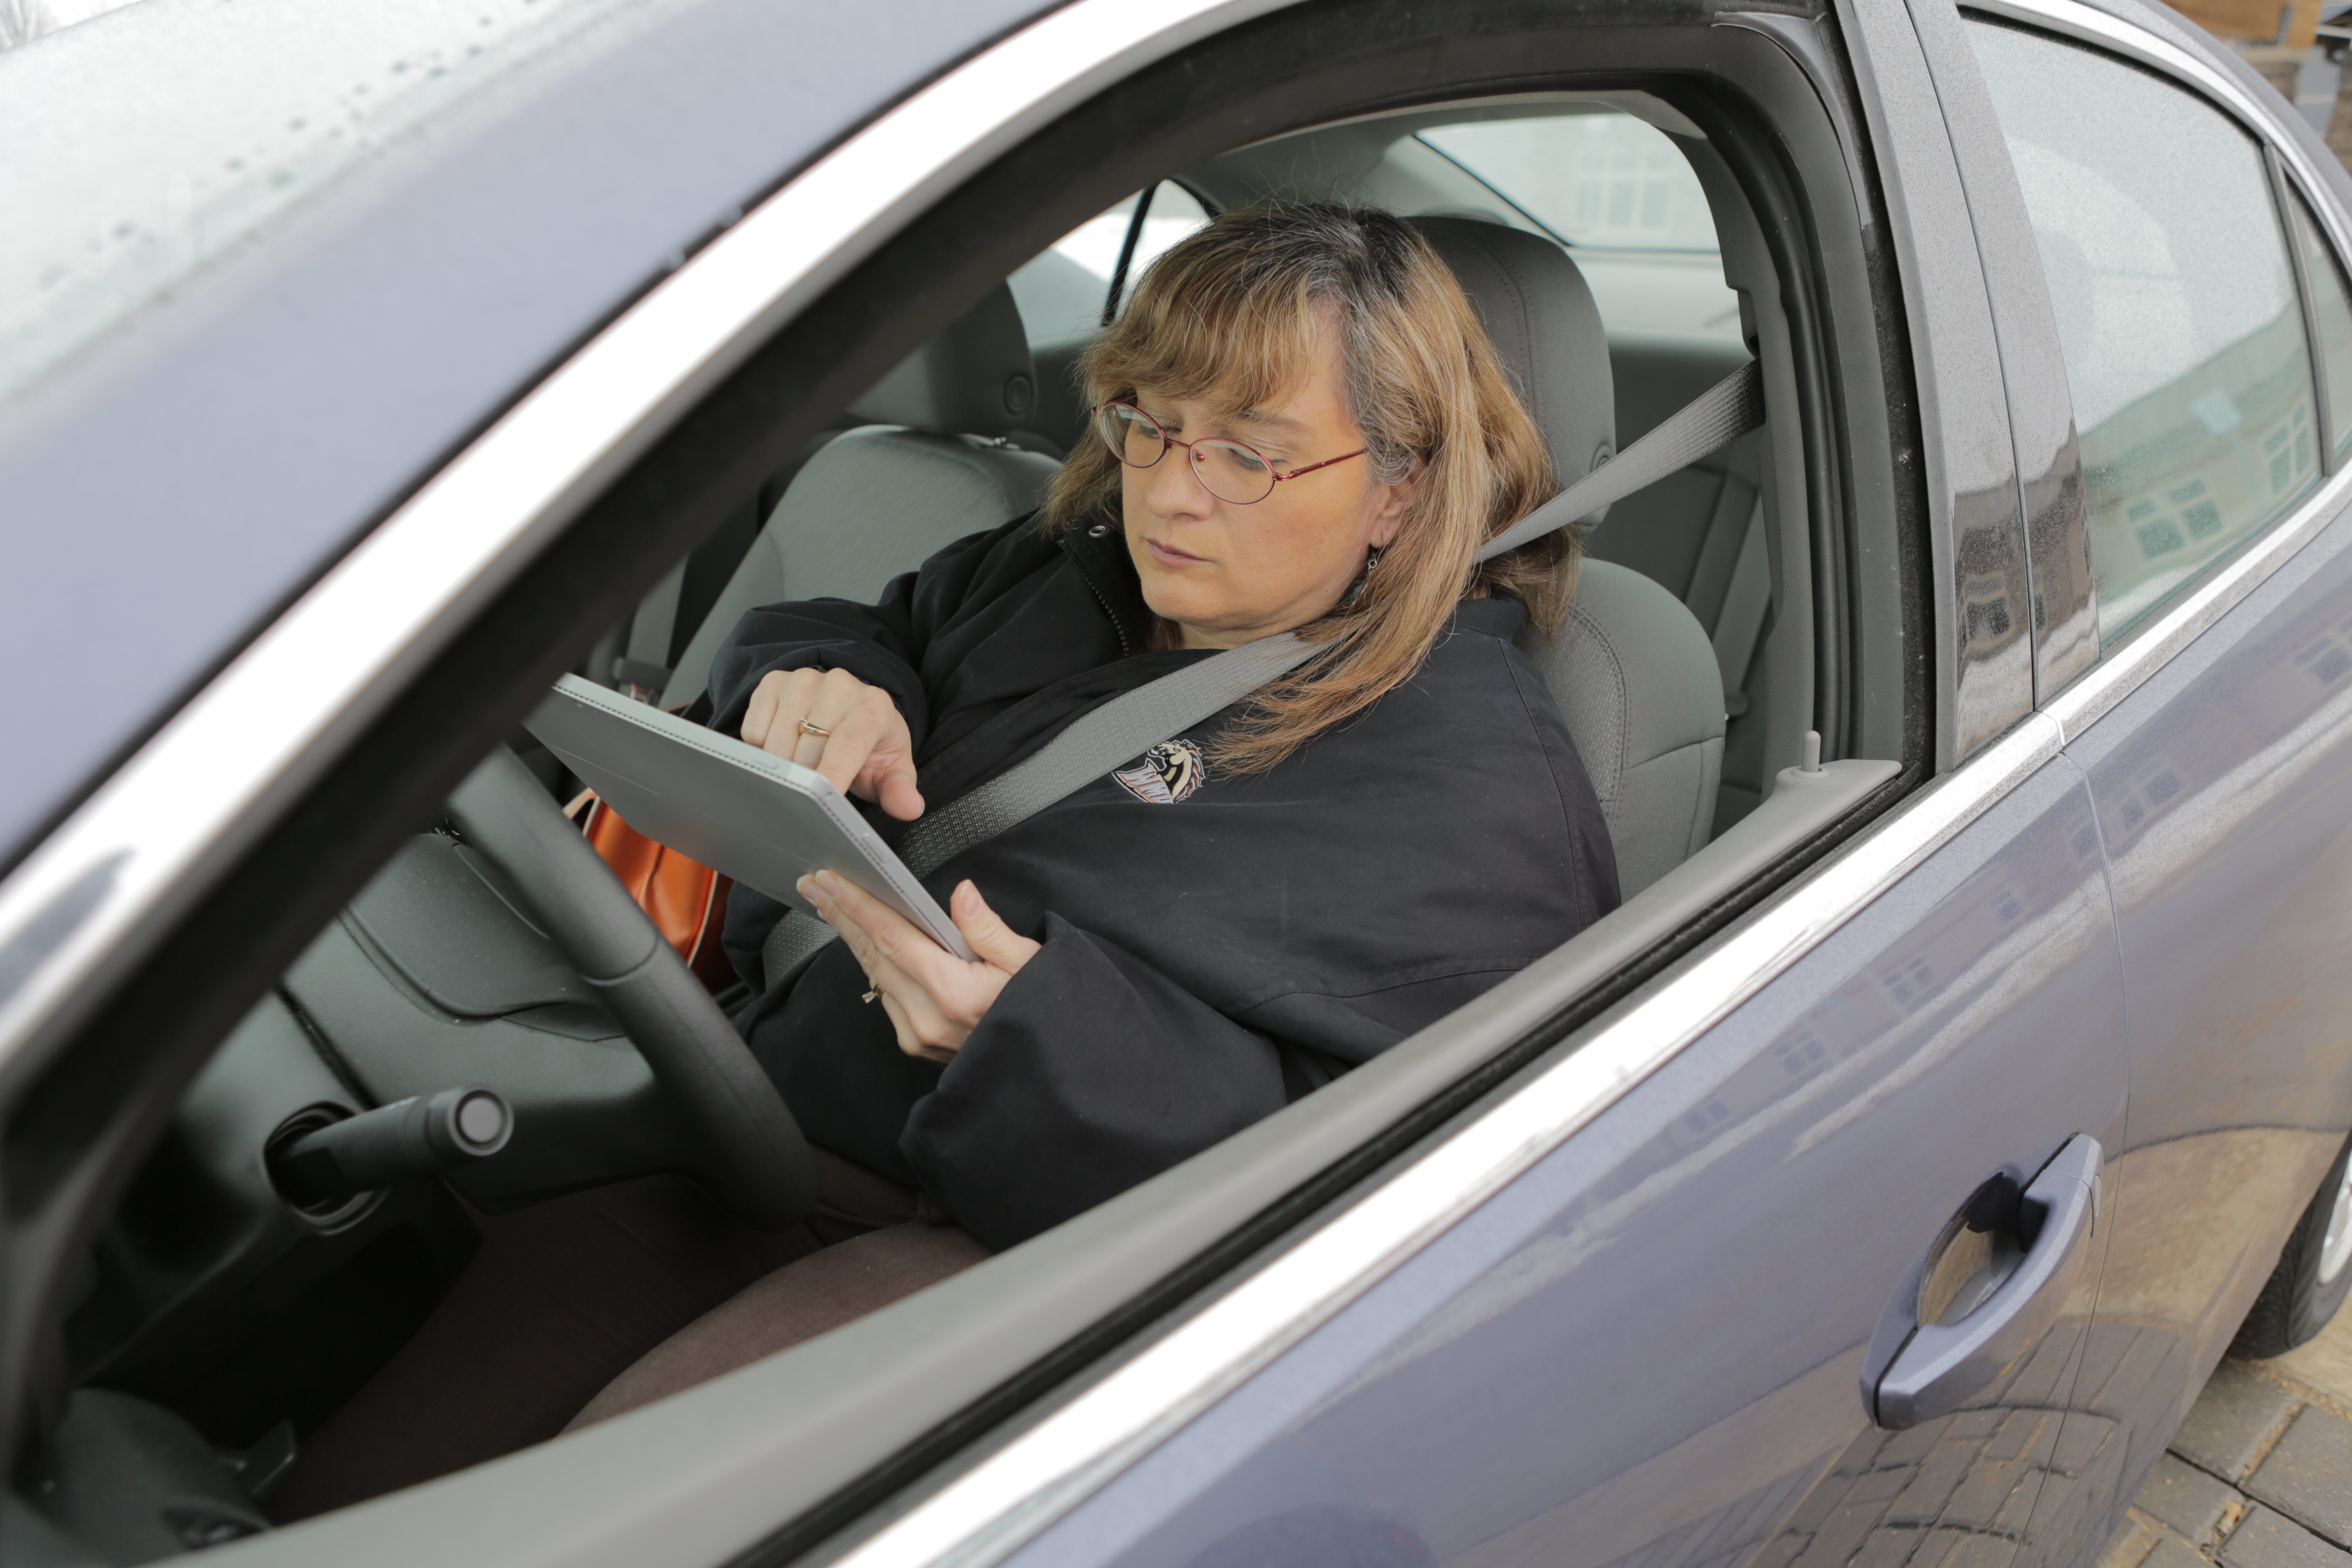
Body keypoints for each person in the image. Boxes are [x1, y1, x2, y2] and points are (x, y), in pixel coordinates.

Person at [703, 201, 1620, 1258]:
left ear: (1398, 494)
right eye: (1149, 423)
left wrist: (1042, 1049)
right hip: (750, 1096)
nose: (1171, 495)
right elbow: (863, 631)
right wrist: (834, 681)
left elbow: (1428, 1198)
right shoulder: (1070, 565)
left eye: (1248, 456)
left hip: (1000, 1254)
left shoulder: (1472, 793)